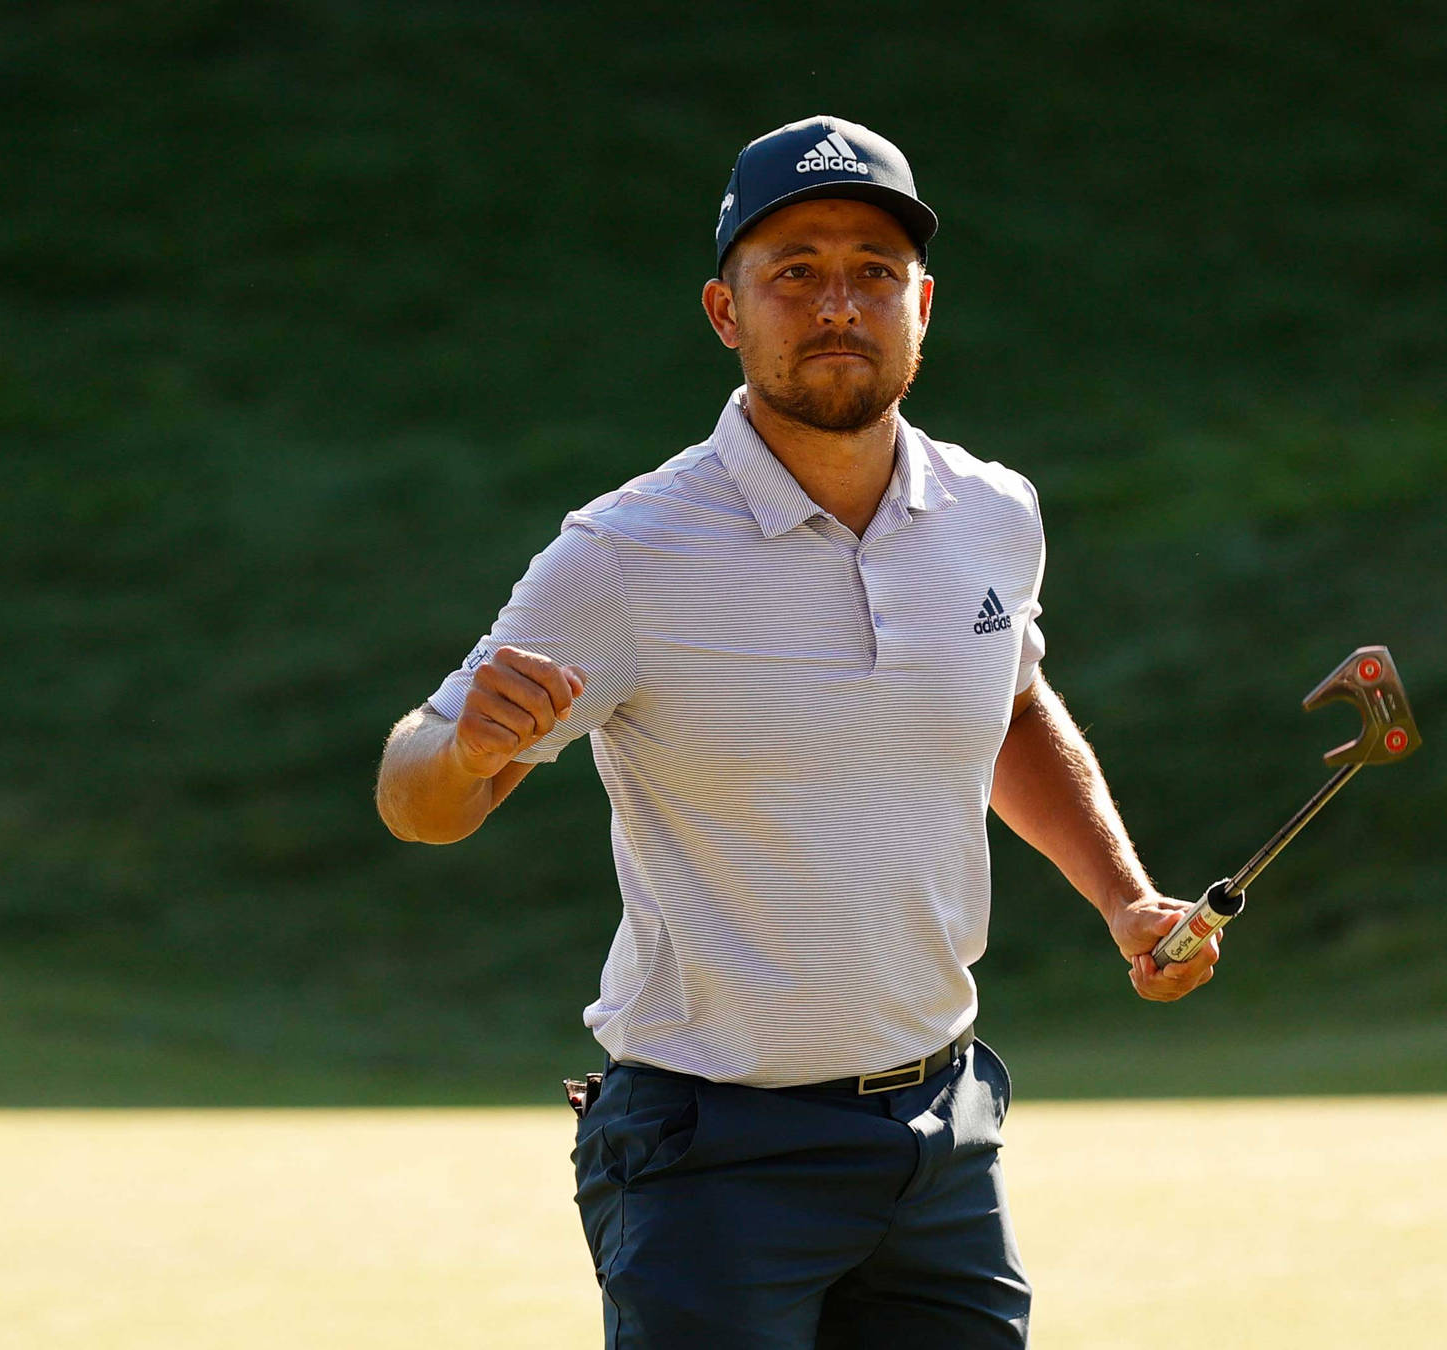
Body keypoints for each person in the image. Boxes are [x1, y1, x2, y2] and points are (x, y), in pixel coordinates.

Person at [375, 114, 1224, 1349]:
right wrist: (460, 751)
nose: (839, 303)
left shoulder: (993, 513)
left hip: (940, 1141)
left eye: (874, 272)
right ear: (727, 312)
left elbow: (1007, 705)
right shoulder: (623, 556)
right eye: (795, 272)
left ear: (923, 305)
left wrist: (1125, 898)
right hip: (716, 1158)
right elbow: (419, 797)